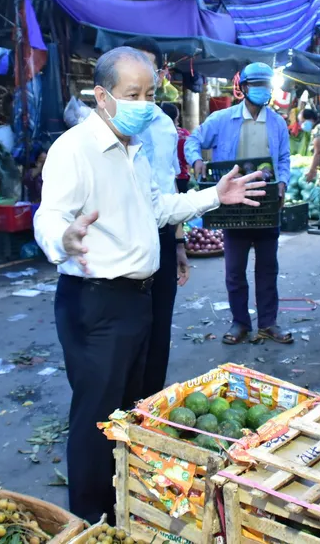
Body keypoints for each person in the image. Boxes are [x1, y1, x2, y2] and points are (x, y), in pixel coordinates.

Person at [33, 47, 264, 522]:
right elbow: (49, 216)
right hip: (96, 303)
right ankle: (90, 521)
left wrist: (214, 196)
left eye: (151, 94)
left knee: (130, 413)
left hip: (138, 300)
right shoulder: (74, 149)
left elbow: (157, 209)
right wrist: (63, 237)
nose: (145, 104)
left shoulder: (134, 150)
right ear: (102, 96)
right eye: (133, 94)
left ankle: (123, 510)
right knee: (97, 419)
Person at [185, 61, 293, 345]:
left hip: (266, 204)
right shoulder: (222, 120)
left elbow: (283, 158)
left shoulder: (277, 123)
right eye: (257, 85)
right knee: (234, 271)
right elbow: (193, 140)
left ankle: (268, 323)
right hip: (233, 206)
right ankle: (240, 323)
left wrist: (282, 182)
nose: (262, 90)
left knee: (268, 269)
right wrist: (196, 160)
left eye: (266, 85)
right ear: (243, 88)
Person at [124, 37, 190, 397]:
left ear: (161, 74)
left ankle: (150, 402)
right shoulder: (101, 127)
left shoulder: (165, 126)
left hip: (162, 232)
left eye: (149, 69)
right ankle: (122, 407)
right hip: (123, 239)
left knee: (159, 323)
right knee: (128, 329)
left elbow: (170, 186)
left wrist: (178, 242)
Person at [161, 101, 191, 193]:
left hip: (164, 180)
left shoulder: (157, 135)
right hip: (182, 178)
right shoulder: (184, 134)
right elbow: (188, 159)